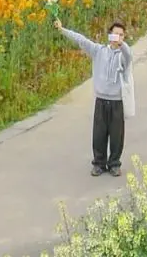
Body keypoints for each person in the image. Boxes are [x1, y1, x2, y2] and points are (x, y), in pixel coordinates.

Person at [55, 17, 132, 175]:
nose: (118, 37)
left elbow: (128, 55)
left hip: (117, 101)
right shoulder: (99, 51)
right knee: (99, 133)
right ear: (109, 35)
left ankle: (114, 164)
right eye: (115, 34)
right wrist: (62, 30)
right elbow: (81, 40)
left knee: (117, 135)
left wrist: (121, 44)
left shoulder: (124, 56)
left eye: (121, 35)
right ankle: (99, 163)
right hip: (101, 100)